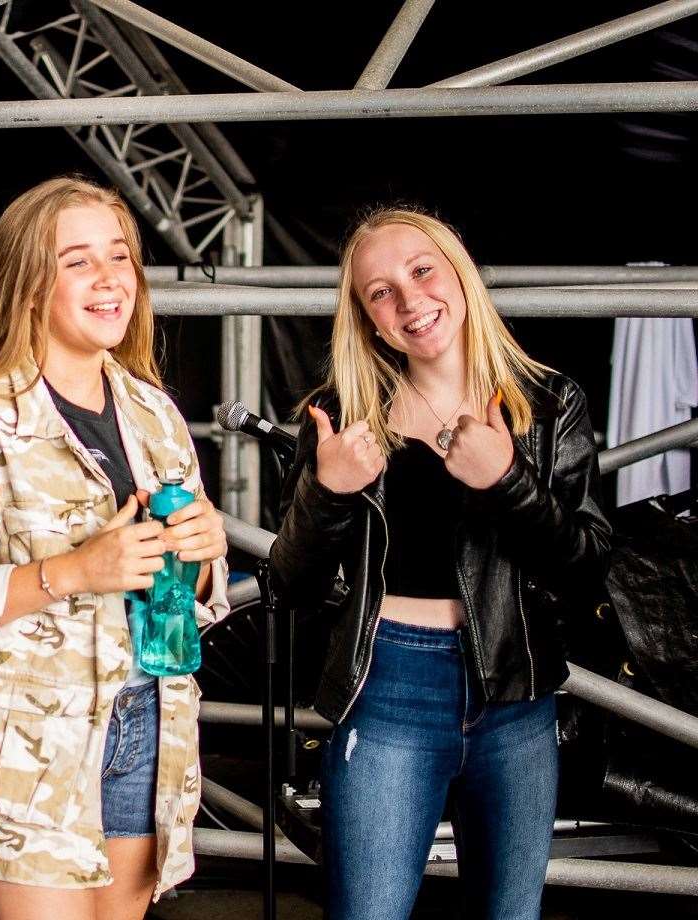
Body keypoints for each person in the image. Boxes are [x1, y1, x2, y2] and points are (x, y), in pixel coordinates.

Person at [0, 176, 230, 920]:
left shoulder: (151, 411)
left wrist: (200, 559)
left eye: (120, 257)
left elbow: (185, 591)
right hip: (29, 742)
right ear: (28, 285)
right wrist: (71, 571)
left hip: (147, 717)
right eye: (77, 261)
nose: (110, 280)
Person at [269, 208, 611, 919]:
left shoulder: (548, 405)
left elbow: (586, 570)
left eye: (421, 270)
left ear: (459, 272)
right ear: (366, 320)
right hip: (388, 683)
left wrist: (507, 481)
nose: (408, 300)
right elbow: (288, 585)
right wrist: (329, 492)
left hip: (516, 697)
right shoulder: (342, 418)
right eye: (380, 292)